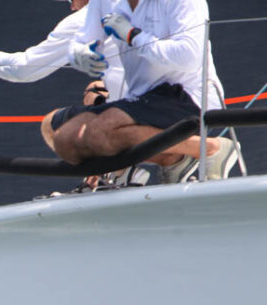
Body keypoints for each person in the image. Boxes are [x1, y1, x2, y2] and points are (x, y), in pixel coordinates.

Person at [44, 0, 237, 182]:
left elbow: (189, 57)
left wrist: (133, 36)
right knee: (63, 138)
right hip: (141, 99)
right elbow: (82, 40)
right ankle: (173, 159)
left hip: (188, 96)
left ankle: (210, 148)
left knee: (100, 132)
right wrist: (79, 54)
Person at [0, 0, 126, 105]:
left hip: (130, 110)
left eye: (70, 0)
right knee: (95, 88)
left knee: (50, 124)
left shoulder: (80, 20)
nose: (72, 7)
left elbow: (25, 69)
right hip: (140, 98)